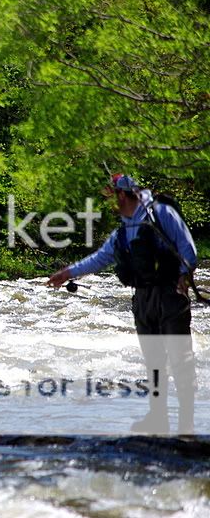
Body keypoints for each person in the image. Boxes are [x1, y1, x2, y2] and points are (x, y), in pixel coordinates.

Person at [47, 174, 197, 434]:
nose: (111, 203)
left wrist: (184, 276)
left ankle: (186, 426)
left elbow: (188, 249)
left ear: (123, 195)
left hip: (170, 295)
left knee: (180, 360)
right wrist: (68, 273)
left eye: (112, 196)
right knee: (154, 361)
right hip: (142, 300)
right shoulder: (122, 231)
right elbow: (101, 258)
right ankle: (158, 419)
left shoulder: (161, 214)